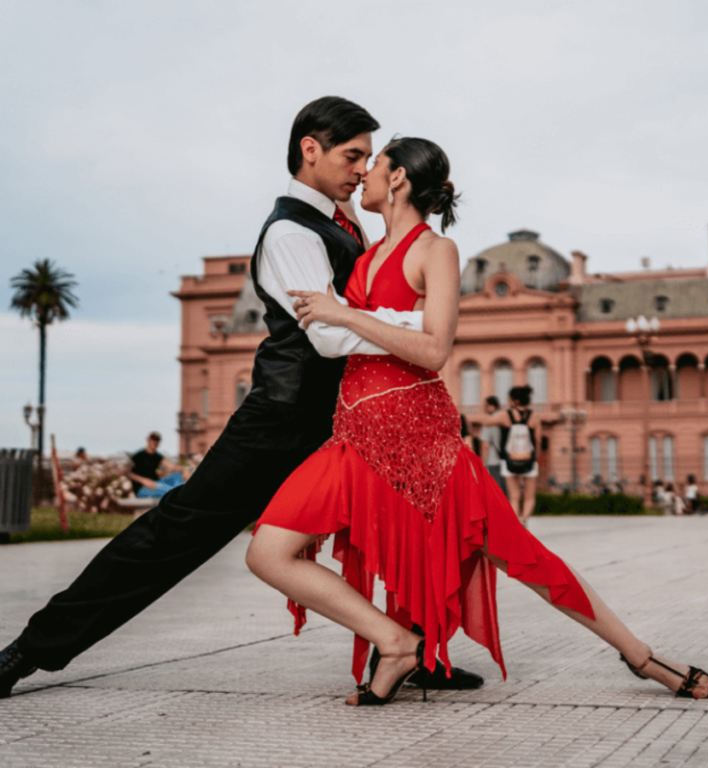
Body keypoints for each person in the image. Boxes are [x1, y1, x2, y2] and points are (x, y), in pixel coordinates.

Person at [0, 97, 480, 699]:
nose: (363, 170)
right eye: (352, 155)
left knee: (407, 524)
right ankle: (28, 651)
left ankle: (421, 654)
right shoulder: (288, 231)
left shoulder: (347, 222)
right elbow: (329, 336)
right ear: (311, 149)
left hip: (347, 414)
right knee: (177, 531)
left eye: (368, 158)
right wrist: (425, 328)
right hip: (283, 419)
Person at [245, 136, 708, 707]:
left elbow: (434, 349)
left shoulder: (435, 250)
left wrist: (347, 313)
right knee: (268, 551)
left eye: (375, 164)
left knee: (529, 560)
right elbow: (341, 335)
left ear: (397, 179)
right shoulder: (365, 256)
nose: (364, 174)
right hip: (356, 440)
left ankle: (643, 657)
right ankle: (395, 642)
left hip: (426, 444)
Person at [473, 385, 553, 527]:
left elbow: (486, 422)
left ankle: (516, 524)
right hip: (529, 460)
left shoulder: (505, 415)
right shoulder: (535, 417)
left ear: (514, 400)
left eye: (509, 399)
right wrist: (536, 457)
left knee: (514, 496)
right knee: (529, 496)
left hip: (509, 460)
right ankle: (524, 520)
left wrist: (494, 416)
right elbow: (538, 440)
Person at [126, 432, 186, 499]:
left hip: (156, 484)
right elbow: (128, 473)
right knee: (170, 491)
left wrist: (184, 471)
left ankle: (180, 495)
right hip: (143, 488)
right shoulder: (139, 455)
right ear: (148, 440)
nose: (155, 442)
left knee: (177, 475)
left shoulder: (157, 456)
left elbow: (171, 467)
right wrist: (144, 480)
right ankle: (180, 497)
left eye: (157, 440)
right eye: (153, 440)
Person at [478, 396, 507, 496]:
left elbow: (485, 445)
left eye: (486, 406)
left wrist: (482, 464)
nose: (484, 409)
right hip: (508, 460)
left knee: (495, 492)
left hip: (493, 461)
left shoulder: (489, 421)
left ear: (492, 406)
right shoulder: (506, 419)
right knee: (507, 492)